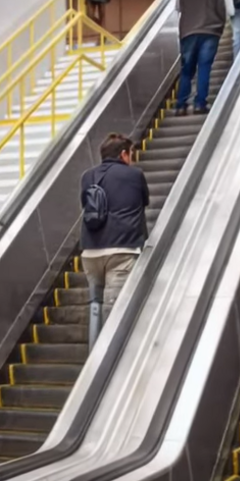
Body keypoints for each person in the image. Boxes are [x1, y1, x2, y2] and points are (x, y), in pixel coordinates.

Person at [78, 133, 149, 346]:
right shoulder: (135, 175)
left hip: (90, 252)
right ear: (123, 154)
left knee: (96, 306)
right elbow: (143, 201)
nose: (132, 159)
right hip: (122, 251)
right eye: (131, 154)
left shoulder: (87, 177)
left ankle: (95, 355)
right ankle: (108, 360)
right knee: (114, 310)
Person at [176, 0, 235, 115]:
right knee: (204, 67)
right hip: (211, 32)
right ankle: (199, 104)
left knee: (187, 70)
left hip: (188, 32)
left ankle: (181, 106)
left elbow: (178, 8)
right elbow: (231, 11)